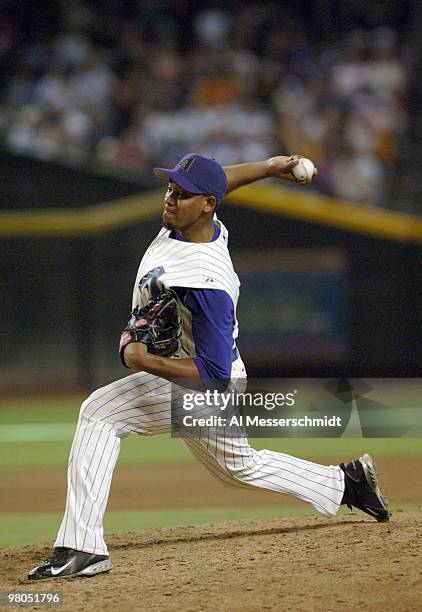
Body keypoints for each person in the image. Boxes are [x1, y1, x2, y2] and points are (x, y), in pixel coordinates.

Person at [28, 153, 389, 580]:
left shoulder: (206, 281)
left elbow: (214, 375)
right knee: (239, 467)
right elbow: (219, 181)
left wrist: (147, 361)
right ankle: (347, 483)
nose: (170, 198)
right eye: (171, 188)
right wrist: (271, 168)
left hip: (207, 386)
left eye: (182, 193)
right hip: (210, 377)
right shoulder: (195, 222)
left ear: (207, 205)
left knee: (100, 413)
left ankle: (83, 547)